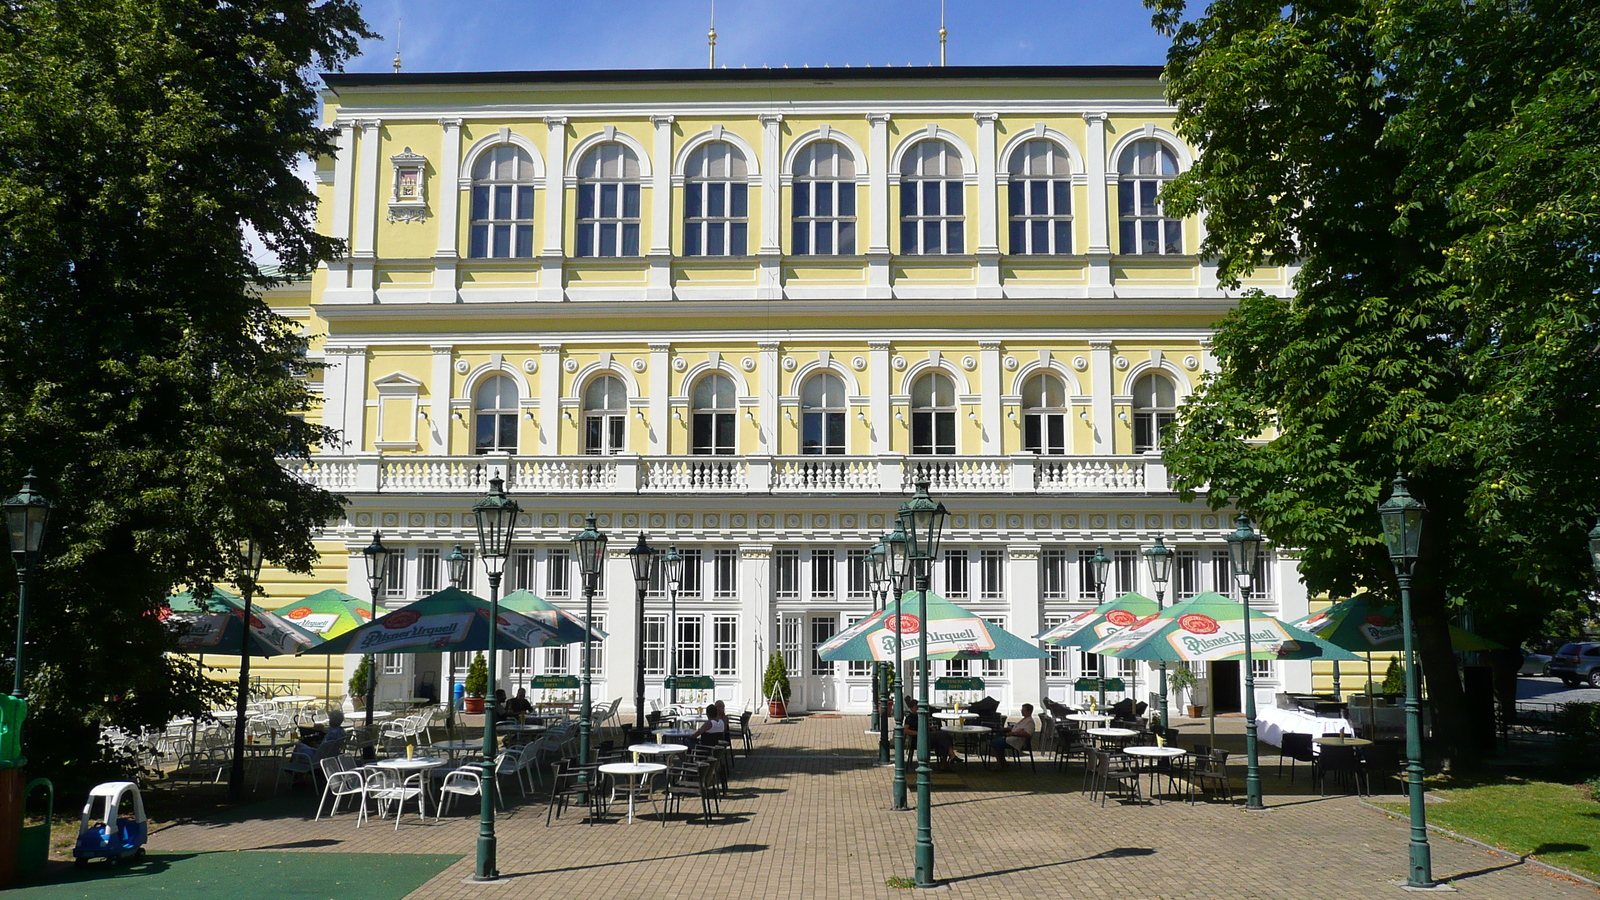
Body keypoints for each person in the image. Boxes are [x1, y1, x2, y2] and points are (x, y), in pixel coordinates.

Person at [903, 697, 958, 769]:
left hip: (927, 737)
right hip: (918, 739)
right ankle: (948, 759)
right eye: (916, 707)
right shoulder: (910, 718)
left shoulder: (920, 716)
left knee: (945, 737)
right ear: (911, 708)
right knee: (943, 736)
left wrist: (930, 728)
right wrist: (918, 733)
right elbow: (906, 730)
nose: (918, 709)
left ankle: (948, 759)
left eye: (918, 707)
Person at [990, 703, 1036, 768]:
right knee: (997, 737)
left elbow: (1028, 734)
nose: (1021, 711)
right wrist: (1007, 729)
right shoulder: (1024, 720)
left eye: (1023, 710)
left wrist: (1014, 733)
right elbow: (1016, 728)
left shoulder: (1030, 722)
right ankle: (1002, 761)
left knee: (995, 743)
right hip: (1012, 738)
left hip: (1017, 741)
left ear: (1029, 711)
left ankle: (1000, 764)